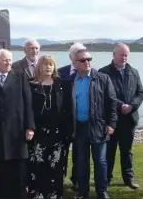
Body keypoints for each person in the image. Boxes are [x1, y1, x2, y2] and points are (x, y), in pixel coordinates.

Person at [0, 48, 35, 198]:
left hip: (17, 130)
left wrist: (30, 127)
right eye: (5, 60)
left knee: (18, 169)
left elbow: (28, 102)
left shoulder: (20, 76)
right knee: (0, 168)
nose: (8, 62)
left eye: (10, 59)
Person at [71, 49, 117, 199]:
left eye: (89, 59)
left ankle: (102, 191)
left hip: (99, 126)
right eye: (83, 60)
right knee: (82, 162)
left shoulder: (103, 79)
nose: (87, 62)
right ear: (75, 63)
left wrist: (111, 124)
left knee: (100, 161)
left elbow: (112, 103)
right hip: (79, 127)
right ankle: (83, 192)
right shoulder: (71, 81)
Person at [28, 55, 74, 199]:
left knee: (56, 166)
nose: (48, 67)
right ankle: (39, 194)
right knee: (39, 165)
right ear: (39, 67)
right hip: (38, 134)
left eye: (51, 65)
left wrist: (69, 131)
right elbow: (27, 109)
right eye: (45, 64)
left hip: (58, 134)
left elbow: (69, 109)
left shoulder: (62, 84)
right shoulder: (31, 85)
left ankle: (55, 194)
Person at [99, 43, 143, 190]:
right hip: (111, 120)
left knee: (127, 151)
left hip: (129, 119)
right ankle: (106, 178)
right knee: (109, 151)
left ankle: (128, 179)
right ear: (114, 54)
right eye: (122, 55)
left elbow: (140, 93)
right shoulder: (103, 72)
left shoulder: (134, 72)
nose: (124, 58)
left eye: (126, 55)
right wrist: (121, 106)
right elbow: (104, 95)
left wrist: (132, 106)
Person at [58, 42, 87, 190]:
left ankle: (76, 180)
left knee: (79, 154)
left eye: (81, 54)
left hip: (80, 122)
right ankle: (59, 179)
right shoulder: (59, 72)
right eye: (76, 54)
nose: (79, 58)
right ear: (71, 57)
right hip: (63, 121)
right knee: (62, 153)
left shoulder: (87, 74)